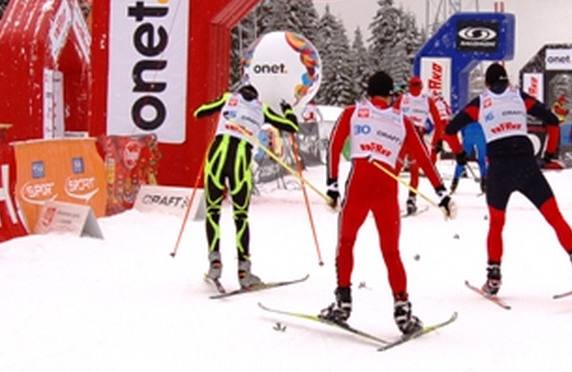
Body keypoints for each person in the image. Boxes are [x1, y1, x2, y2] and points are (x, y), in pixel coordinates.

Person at [444, 63, 572, 296]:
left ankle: (493, 277)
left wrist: (459, 153)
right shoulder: (518, 95)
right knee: (555, 217)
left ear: (487, 84)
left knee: (496, 224)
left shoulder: (480, 102)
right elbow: (551, 120)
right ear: (507, 81)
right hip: (526, 165)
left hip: (499, 168)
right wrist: (549, 155)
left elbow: (449, 130)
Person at [320, 71, 456, 335]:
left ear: (368, 93)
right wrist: (442, 193)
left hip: (359, 185)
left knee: (346, 242)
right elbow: (424, 159)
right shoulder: (402, 120)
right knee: (391, 252)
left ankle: (343, 303)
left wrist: (332, 186)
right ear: (391, 94)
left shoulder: (353, 112)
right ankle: (402, 311)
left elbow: (334, 147)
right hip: (386, 189)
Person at [193, 83, 299, 289]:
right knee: (241, 216)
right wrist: (287, 110)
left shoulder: (227, 98)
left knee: (213, 211)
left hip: (216, 155)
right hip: (240, 159)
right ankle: (244, 271)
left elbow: (199, 112)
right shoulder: (262, 108)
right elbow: (292, 127)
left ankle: (214, 262)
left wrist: (224, 109)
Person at [394, 75, 451, 215]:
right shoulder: (427, 100)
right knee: (415, 169)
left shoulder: (402, 99)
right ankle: (411, 199)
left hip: (402, 138)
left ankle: (389, 198)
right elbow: (438, 123)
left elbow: (391, 116)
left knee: (395, 170)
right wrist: (436, 142)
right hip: (416, 138)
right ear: (421, 86)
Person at [451, 121, 488, 194]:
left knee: (462, 158)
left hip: (469, 131)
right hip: (481, 132)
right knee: (482, 159)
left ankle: (455, 181)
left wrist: (463, 134)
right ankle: (484, 183)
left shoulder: (467, 109)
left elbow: (462, 122)